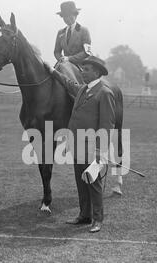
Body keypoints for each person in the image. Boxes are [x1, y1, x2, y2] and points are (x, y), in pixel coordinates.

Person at [44, 56, 116, 233]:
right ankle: (84, 215)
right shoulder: (83, 89)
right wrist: (53, 72)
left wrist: (100, 150)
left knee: (94, 183)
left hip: (93, 148)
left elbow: (107, 125)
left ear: (97, 72)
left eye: (86, 69)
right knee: (81, 181)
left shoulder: (104, 93)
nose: (82, 72)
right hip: (77, 146)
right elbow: (68, 83)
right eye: (82, 69)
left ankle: (97, 219)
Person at [54, 1, 91, 66]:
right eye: (65, 16)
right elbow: (56, 52)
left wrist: (69, 59)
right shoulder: (60, 33)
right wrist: (61, 59)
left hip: (81, 66)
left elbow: (87, 52)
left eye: (70, 15)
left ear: (75, 15)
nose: (67, 18)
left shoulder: (84, 30)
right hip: (65, 65)